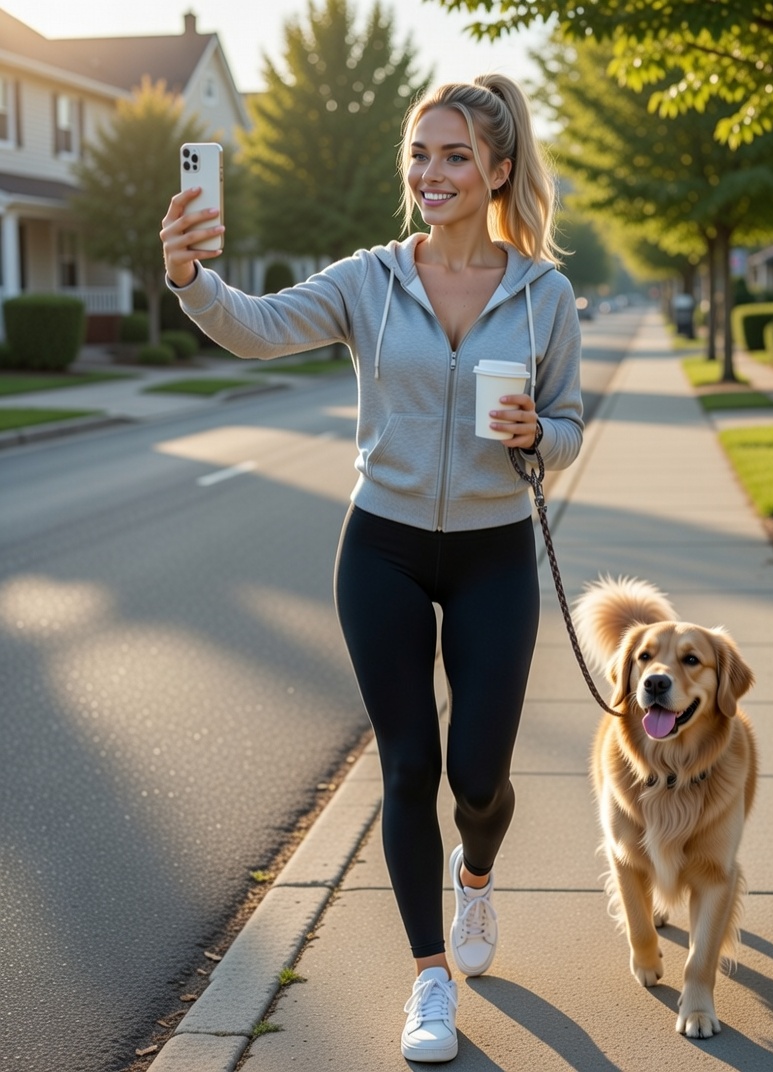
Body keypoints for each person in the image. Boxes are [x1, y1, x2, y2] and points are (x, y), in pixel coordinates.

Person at [160, 73, 583, 1063]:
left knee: (479, 776)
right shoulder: (369, 278)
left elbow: (567, 422)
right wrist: (189, 278)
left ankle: (476, 874)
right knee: (408, 766)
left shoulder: (544, 294)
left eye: (453, 156)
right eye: (419, 154)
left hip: (494, 554)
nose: (429, 173)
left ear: (498, 171)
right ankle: (429, 976)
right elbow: (258, 327)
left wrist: (540, 433)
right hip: (382, 546)